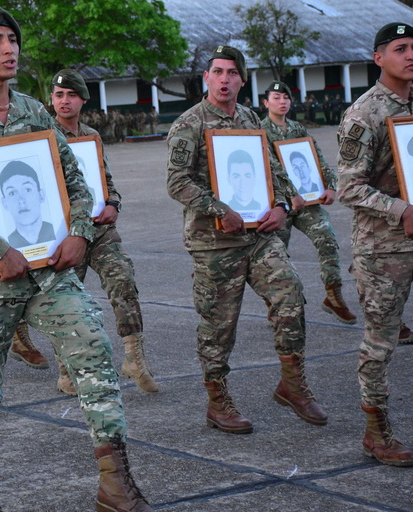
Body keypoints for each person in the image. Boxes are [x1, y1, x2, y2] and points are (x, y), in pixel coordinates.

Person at [0, 8, 164, 512]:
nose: (9, 48)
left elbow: (76, 181)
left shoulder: (34, 112)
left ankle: (115, 483)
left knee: (94, 351)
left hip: (47, 269)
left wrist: (79, 231)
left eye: (13, 40)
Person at [166, 46, 327, 435]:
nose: (224, 79)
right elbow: (176, 182)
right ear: (207, 78)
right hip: (214, 242)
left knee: (290, 294)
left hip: (258, 235)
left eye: (232, 72)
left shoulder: (250, 118)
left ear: (242, 79)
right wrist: (219, 209)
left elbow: (275, 170)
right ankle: (217, 400)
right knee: (219, 325)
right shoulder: (189, 123)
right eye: (217, 72)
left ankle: (292, 383)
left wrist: (282, 205)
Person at [46, 68, 158, 394]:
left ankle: (134, 358)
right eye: (58, 95)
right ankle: (67, 371)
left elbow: (106, 180)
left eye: (71, 95)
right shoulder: (41, 135)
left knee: (123, 277)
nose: (64, 101)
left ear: (83, 99)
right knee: (65, 300)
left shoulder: (92, 135)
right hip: (64, 233)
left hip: (98, 226)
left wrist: (113, 203)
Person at [336, 22, 413, 467]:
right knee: (381, 342)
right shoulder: (364, 113)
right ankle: (376, 430)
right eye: (400, 48)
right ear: (379, 58)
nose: (410, 55)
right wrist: (401, 210)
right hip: (384, 249)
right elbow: (349, 187)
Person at [261, 80, 357, 325]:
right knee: (276, 256)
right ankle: (276, 304)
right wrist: (291, 193)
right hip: (278, 204)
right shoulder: (260, 131)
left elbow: (318, 159)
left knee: (326, 236)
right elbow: (269, 169)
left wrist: (330, 185)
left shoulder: (298, 129)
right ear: (265, 102)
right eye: (276, 97)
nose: (282, 102)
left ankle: (334, 296)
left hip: (307, 201)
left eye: (286, 97)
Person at [0, 160, 56, 247]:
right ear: (4, 203)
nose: (21, 200)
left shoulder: (60, 233)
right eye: (12, 193)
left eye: (27, 190)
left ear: (41, 195)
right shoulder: (4, 246)